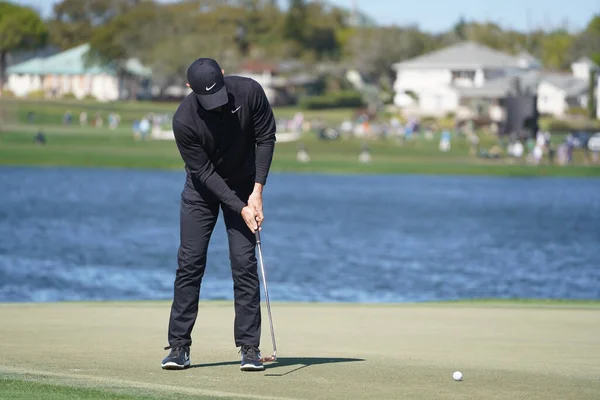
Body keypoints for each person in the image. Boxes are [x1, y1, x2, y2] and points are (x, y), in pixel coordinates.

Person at [161, 58, 276, 372]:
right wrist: (240, 207)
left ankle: (250, 348)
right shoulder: (184, 120)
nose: (215, 105)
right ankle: (179, 347)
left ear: (224, 76)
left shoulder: (250, 92)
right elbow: (205, 173)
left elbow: (265, 138)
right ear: (190, 89)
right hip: (202, 190)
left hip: (244, 185)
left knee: (243, 262)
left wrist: (257, 191)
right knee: (190, 262)